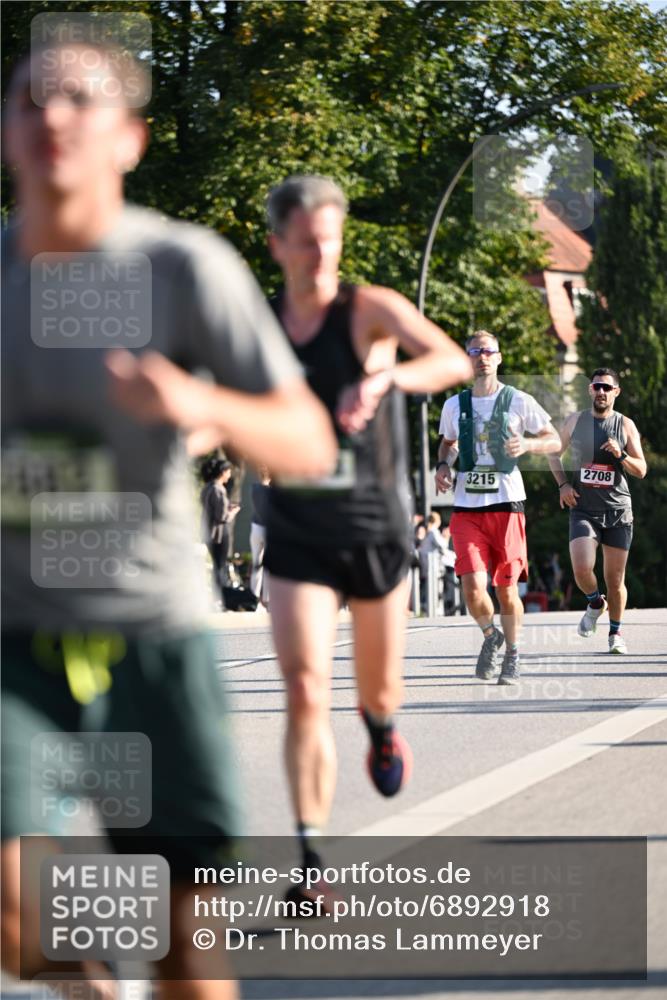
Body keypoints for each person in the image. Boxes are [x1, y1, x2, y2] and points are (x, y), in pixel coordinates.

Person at [1, 41, 336, 999]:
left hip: (151, 629)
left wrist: (201, 404)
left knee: (188, 941)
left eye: (79, 99)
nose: (52, 115)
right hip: (11, 635)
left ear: (130, 139)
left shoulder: (182, 268)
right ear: (5, 129)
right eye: (30, 98)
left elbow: (306, 440)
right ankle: (86, 979)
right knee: (12, 911)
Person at [262, 174, 473, 903]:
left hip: (374, 529)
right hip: (295, 530)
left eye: (331, 243)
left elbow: (451, 360)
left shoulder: (368, 309)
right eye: (307, 244)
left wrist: (385, 383)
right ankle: (310, 861)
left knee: (374, 691)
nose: (322, 257)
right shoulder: (256, 326)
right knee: (303, 687)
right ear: (277, 245)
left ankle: (383, 729)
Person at [435, 330, 561, 684]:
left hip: (507, 505)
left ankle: (514, 653)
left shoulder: (519, 400)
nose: (482, 357)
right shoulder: (454, 405)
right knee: (473, 589)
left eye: (488, 351)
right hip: (466, 508)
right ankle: (493, 636)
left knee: (506, 591)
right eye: (475, 352)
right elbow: (447, 445)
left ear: (499, 357)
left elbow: (554, 439)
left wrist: (528, 446)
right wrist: (443, 466)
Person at [548, 367, 647, 653]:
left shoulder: (625, 425)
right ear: (589, 390)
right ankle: (594, 602)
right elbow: (553, 453)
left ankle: (615, 634)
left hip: (617, 510)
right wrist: (563, 485)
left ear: (616, 392)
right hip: (583, 509)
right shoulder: (574, 421)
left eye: (606, 387)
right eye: (596, 387)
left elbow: (641, 470)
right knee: (581, 568)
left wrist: (622, 454)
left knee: (615, 581)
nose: (600, 392)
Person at [200, 458, 238, 596]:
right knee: (220, 566)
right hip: (219, 533)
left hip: (208, 531)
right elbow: (222, 517)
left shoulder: (207, 487)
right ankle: (221, 596)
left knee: (216, 565)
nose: (229, 474)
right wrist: (233, 511)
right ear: (222, 472)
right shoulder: (218, 489)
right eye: (228, 471)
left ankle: (217, 595)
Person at [250, 466, 271, 606]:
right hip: (268, 528)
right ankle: (267, 599)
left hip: (255, 527)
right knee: (270, 566)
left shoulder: (254, 488)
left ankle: (253, 598)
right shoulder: (272, 491)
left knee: (256, 563)